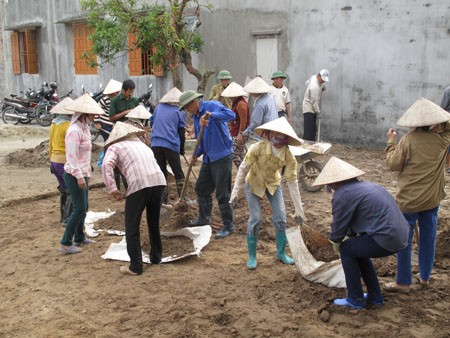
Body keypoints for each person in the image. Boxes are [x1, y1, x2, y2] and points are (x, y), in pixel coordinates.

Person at [312, 156, 409, 309]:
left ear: (334, 182)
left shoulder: (342, 194)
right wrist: (348, 236)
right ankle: (375, 296)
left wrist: (335, 242)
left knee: (347, 250)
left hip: (386, 237)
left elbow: (339, 226)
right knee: (357, 250)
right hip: (401, 235)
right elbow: (354, 223)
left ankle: (355, 298)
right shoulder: (368, 186)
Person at [383, 98, 450, 293]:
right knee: (429, 237)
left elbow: (392, 165)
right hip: (431, 199)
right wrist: (441, 122)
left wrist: (390, 143)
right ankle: (425, 277)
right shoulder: (442, 140)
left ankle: (403, 282)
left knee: (404, 239)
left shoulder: (408, 140)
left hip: (409, 201)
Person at [230, 117, 306, 270]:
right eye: (274, 132)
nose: (276, 136)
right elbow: (243, 169)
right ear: (268, 133)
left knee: (281, 219)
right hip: (253, 183)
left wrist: (299, 210)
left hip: (273, 184)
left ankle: (281, 252)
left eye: (281, 135)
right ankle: (252, 256)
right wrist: (235, 193)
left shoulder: (289, 157)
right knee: (256, 218)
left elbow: (292, 183)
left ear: (286, 139)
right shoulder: (257, 148)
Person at [102, 122, 166, 275]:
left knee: (132, 227)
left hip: (139, 184)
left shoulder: (115, 147)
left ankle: (135, 266)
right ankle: (156, 257)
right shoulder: (143, 146)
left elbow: (106, 165)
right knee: (153, 222)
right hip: (158, 182)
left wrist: (112, 189)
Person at [179, 89, 235, 239]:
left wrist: (211, 115)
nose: (187, 111)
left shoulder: (212, 105)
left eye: (187, 107)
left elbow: (231, 115)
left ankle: (229, 226)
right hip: (209, 157)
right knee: (201, 188)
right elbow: (201, 141)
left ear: (194, 102)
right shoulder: (197, 118)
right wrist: (195, 155)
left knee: (222, 193)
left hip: (222, 155)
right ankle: (204, 218)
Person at [58, 94, 105, 254]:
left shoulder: (84, 128)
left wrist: (86, 173)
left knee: (84, 207)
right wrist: (79, 177)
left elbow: (83, 154)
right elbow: (71, 157)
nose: (94, 117)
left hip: (82, 172)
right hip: (73, 174)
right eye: (92, 114)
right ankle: (66, 242)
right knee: (79, 208)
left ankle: (79, 236)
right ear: (84, 115)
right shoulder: (74, 131)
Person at [150, 87, 186, 203]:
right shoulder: (180, 111)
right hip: (170, 144)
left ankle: (162, 199)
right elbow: (181, 132)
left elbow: (152, 122)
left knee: (161, 172)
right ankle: (182, 198)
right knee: (178, 172)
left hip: (155, 143)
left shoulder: (158, 108)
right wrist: (181, 149)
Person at [109, 79, 139, 189]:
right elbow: (111, 117)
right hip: (118, 133)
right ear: (123, 90)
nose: (130, 94)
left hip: (130, 131)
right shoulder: (115, 101)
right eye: (129, 91)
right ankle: (116, 185)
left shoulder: (134, 100)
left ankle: (130, 184)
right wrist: (124, 113)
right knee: (118, 157)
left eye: (132, 92)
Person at [49, 97, 74, 225]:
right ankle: (66, 218)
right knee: (70, 190)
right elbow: (70, 147)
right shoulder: (69, 126)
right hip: (63, 160)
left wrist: (50, 160)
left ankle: (62, 216)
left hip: (54, 159)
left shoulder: (54, 124)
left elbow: (50, 144)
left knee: (63, 188)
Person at [240, 76, 278, 145]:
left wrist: (245, 133)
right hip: (274, 131)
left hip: (265, 133)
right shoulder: (271, 98)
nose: (251, 93)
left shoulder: (260, 104)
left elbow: (256, 122)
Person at [221, 82, 250, 168]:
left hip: (240, 132)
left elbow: (243, 121)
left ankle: (243, 172)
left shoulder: (241, 104)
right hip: (236, 131)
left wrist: (240, 134)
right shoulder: (236, 102)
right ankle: (244, 173)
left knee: (235, 154)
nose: (230, 98)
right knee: (240, 154)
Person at [302, 69, 329, 141]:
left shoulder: (313, 77)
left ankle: (312, 145)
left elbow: (306, 83)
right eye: (322, 80)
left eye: (324, 81)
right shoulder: (315, 87)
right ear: (319, 76)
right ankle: (306, 147)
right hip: (309, 108)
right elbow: (314, 102)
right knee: (309, 131)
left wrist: (321, 87)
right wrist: (318, 112)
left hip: (312, 107)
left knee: (313, 129)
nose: (323, 81)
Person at [440, 86, 450, 172]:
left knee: (447, 142)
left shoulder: (448, 90)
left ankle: (448, 165)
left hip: (448, 118)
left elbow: (443, 106)